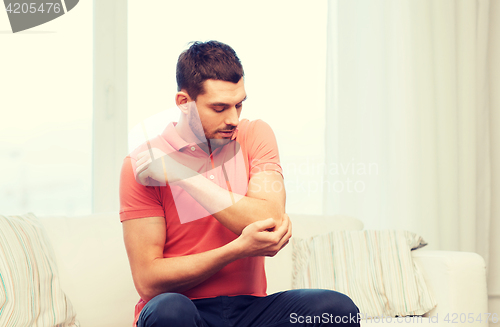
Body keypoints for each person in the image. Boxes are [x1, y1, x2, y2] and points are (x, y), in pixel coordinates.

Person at [119, 40, 360, 327]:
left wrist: (183, 175)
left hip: (251, 310)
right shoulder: (143, 164)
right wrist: (237, 249)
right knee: (169, 310)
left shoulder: (255, 135)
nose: (233, 118)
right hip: (185, 310)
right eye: (219, 107)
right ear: (185, 103)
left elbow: (268, 219)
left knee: (337, 308)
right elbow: (149, 281)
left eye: (239, 104)